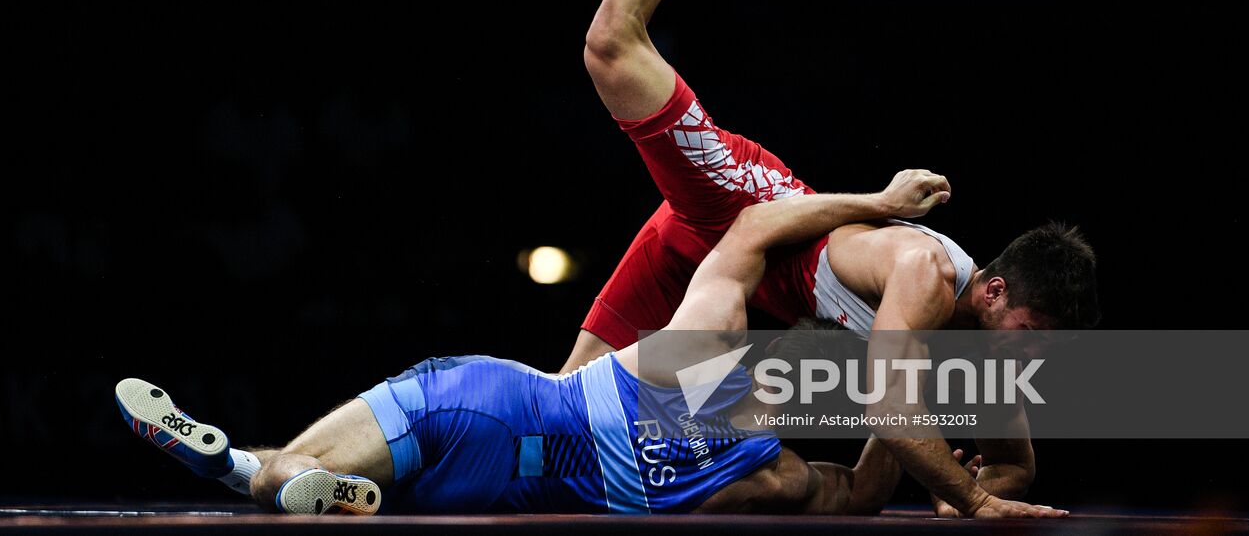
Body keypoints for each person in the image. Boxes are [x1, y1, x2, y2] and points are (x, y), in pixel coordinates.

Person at [566, 0, 1101, 514]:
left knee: (560, 415)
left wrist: (976, 490)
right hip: (748, 215)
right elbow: (890, 406)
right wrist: (975, 501)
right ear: (992, 289)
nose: (1031, 355)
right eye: (1031, 331)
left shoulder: (981, 370)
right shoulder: (926, 270)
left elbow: (1014, 466)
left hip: (723, 265)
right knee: (612, 48)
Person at [116, 171, 1019, 515]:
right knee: (310, 487)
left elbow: (749, 230)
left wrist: (877, 205)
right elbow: (865, 487)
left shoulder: (699, 353)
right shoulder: (769, 476)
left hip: (480, 393)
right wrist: (959, 475)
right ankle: (289, 485)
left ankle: (249, 466)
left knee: (285, 472)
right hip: (508, 480)